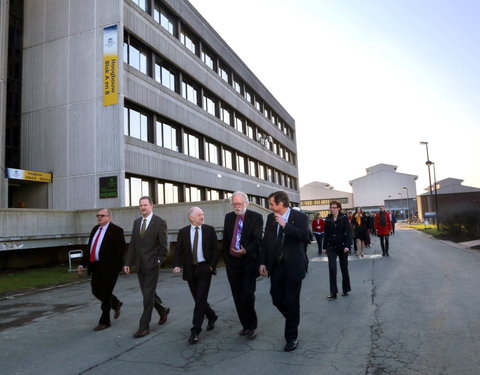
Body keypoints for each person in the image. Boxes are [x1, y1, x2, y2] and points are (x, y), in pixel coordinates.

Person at [259, 191, 310, 352]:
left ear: (282, 204)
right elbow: (266, 241)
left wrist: (285, 225)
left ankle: (291, 338)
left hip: (294, 266)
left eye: (272, 204)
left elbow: (306, 236)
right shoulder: (270, 218)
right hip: (277, 266)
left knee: (292, 301)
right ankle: (293, 319)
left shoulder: (299, 217)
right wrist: (262, 262)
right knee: (276, 299)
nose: (270, 207)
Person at [124, 196, 170, 338]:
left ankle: (144, 327)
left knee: (147, 295)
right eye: (140, 205)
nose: (142, 208)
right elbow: (133, 244)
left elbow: (164, 246)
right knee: (147, 294)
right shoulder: (137, 222)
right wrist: (127, 262)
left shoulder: (160, 222)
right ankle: (162, 310)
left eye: (145, 205)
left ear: (151, 206)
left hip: (152, 265)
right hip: (139, 265)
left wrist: (157, 261)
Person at [173, 207, 219, 344]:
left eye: (203, 214)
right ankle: (211, 316)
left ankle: (195, 331)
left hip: (205, 268)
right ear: (191, 217)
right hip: (190, 270)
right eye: (199, 215)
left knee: (200, 299)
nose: (202, 217)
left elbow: (215, 250)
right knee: (198, 299)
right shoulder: (183, 232)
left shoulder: (209, 230)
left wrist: (211, 266)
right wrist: (176, 264)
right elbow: (178, 251)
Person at [223, 192, 263, 340]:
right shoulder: (229, 217)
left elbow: (258, 240)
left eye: (239, 204)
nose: (236, 207)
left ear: (246, 203)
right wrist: (226, 259)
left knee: (247, 294)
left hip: (248, 262)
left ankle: (252, 326)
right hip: (232, 263)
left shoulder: (256, 217)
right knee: (237, 296)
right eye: (234, 204)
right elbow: (226, 238)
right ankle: (245, 325)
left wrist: (246, 249)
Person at [78, 208, 126, 331]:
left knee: (106, 292)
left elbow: (121, 251)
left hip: (110, 268)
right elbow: (90, 248)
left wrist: (121, 266)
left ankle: (105, 321)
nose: (99, 217)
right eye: (98, 215)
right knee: (96, 290)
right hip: (96, 266)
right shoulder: (95, 229)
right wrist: (82, 264)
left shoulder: (116, 231)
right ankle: (115, 303)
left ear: (109, 217)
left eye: (102, 215)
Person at [323, 201, 352, 300]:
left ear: (339, 208)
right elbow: (326, 233)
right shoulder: (328, 219)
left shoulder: (344, 218)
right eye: (330, 207)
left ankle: (346, 288)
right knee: (332, 268)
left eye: (334, 207)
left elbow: (348, 233)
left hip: (342, 246)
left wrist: (348, 246)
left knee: (344, 268)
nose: (332, 209)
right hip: (331, 246)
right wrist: (324, 247)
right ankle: (333, 292)